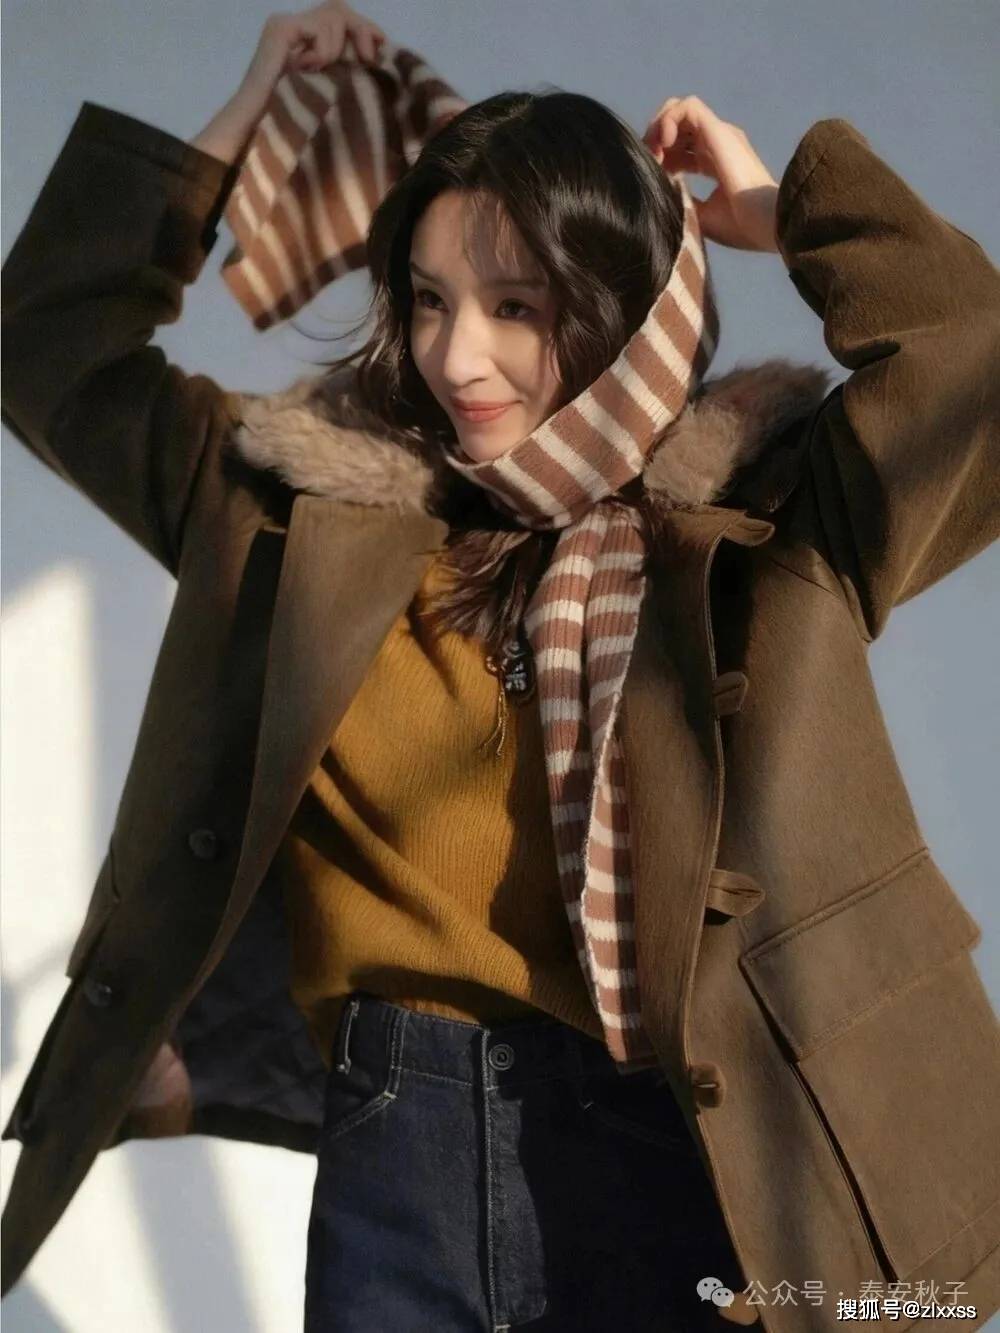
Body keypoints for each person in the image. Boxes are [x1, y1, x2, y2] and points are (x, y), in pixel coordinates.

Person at [3, 3, 999, 1329]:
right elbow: (48, 346)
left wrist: (788, 207)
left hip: (680, 1142)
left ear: (620, 305)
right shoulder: (306, 515)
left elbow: (971, 367)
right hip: (396, 1145)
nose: (456, 356)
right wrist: (245, 120)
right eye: (429, 299)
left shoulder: (762, 522)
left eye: (516, 306)